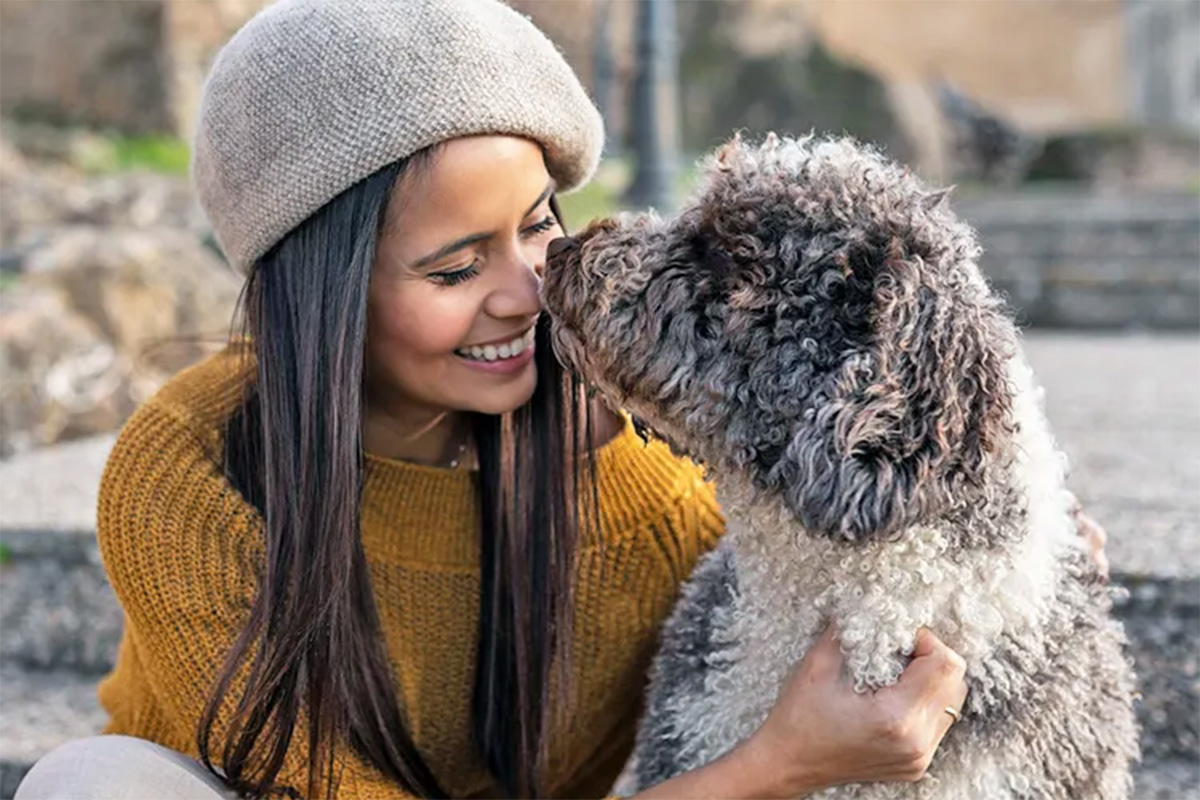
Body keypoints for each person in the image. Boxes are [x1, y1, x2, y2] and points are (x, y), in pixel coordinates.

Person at [13, 0, 1108, 798]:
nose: (527, 290)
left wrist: (1014, 561)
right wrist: (779, 764)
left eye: (540, 222)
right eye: (453, 268)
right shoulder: (191, 468)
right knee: (93, 782)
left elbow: (861, 555)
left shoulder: (642, 483)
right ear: (321, 294)